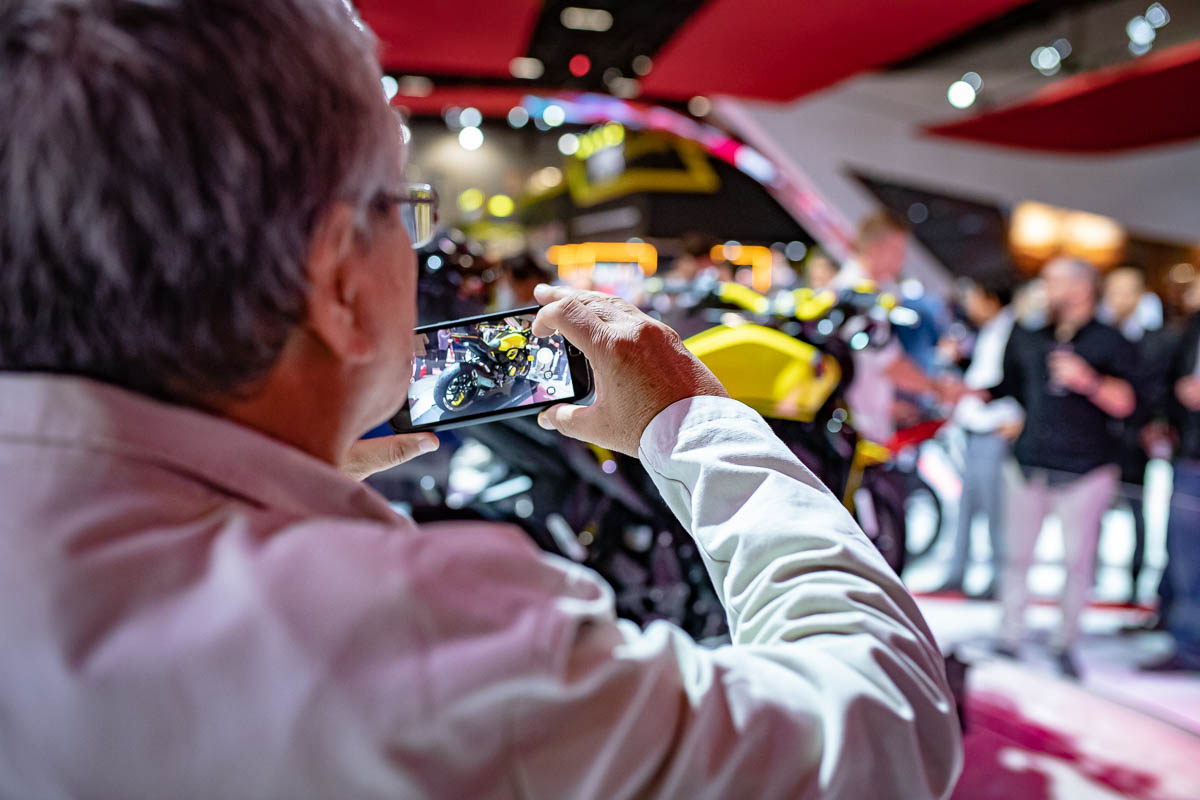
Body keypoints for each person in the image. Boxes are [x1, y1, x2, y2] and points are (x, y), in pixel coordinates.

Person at [0, 2, 961, 798]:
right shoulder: (408, 632)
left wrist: (273, 465)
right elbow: (878, 732)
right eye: (405, 211)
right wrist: (694, 419)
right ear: (337, 279)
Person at [988, 258, 1138, 678]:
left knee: (1077, 564)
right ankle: (1009, 635)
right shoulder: (1029, 333)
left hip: (1086, 469)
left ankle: (1065, 642)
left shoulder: (1112, 341)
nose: (1046, 290)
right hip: (1029, 462)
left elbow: (1129, 404)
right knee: (1016, 557)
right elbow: (1009, 387)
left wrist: (1089, 381)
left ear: (1082, 288)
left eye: (1054, 282)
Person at [832, 210, 961, 442]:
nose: (901, 261)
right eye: (897, 251)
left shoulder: (850, 291)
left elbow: (863, 365)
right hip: (856, 429)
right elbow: (889, 364)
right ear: (876, 248)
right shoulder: (859, 298)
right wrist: (938, 388)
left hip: (853, 420)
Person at [936, 273, 1023, 599]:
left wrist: (1019, 418)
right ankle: (957, 574)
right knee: (968, 505)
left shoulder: (1014, 332)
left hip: (995, 428)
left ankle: (999, 580)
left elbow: (1014, 381)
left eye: (972, 297)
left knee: (994, 509)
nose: (968, 305)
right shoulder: (990, 330)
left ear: (990, 298)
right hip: (976, 427)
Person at [1099, 267, 1168, 604]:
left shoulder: (1157, 339)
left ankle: (1135, 581)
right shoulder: (1099, 335)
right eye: (1113, 292)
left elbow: (1156, 389)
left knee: (1137, 512)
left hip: (1134, 441)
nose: (1119, 299)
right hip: (1097, 441)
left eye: (1126, 292)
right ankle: (1092, 577)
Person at [1141, 292, 1200, 671]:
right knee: (1185, 559)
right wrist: (1165, 416)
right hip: (1191, 455)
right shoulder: (1194, 325)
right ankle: (1188, 646)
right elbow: (1170, 375)